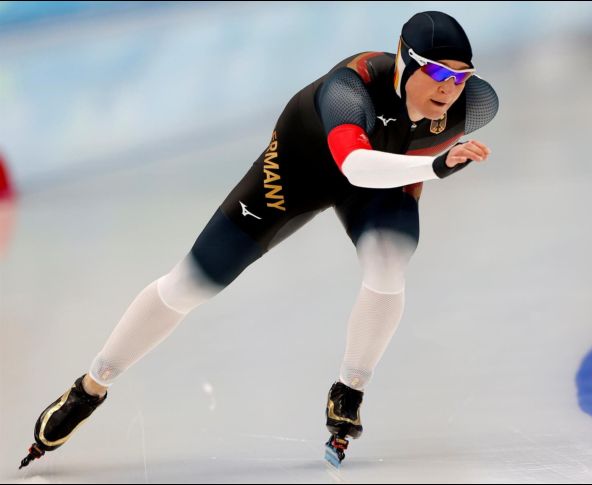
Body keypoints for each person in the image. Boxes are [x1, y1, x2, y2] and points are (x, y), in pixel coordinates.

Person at [20, 10, 498, 469]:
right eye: (437, 71)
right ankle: (90, 387)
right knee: (191, 284)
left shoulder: (477, 102)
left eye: (461, 76)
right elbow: (354, 163)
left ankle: (349, 390)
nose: (449, 88)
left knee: (388, 262)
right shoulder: (349, 89)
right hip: (297, 173)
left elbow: (402, 154)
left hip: (380, 180)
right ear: (404, 59)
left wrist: (424, 168)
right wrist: (435, 167)